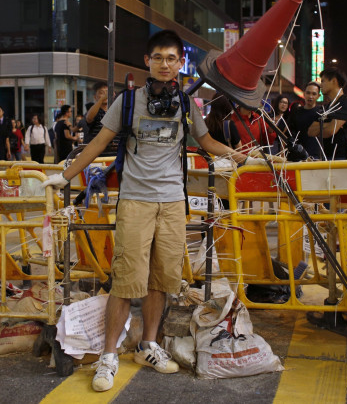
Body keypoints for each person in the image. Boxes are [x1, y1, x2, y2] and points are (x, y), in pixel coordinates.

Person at [41, 30, 265, 393]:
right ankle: (109, 356)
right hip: (135, 202)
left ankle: (149, 345)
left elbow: (205, 142)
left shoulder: (187, 106)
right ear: (148, 61)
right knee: (127, 279)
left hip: (173, 204)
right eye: (158, 57)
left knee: (162, 279)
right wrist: (63, 175)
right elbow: (98, 141)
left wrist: (246, 156)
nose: (165, 64)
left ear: (180, 64)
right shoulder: (128, 102)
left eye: (171, 58)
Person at [307, 67, 347, 160]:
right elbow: (310, 131)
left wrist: (323, 126)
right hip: (326, 157)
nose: (320, 85)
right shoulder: (326, 106)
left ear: (334, 81)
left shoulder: (346, 102)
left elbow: (330, 131)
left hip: (342, 158)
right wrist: (329, 125)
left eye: (323, 81)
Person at [286, 81, 322, 159]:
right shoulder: (296, 112)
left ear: (318, 96)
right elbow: (289, 133)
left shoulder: (321, 112)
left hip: (316, 156)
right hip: (297, 155)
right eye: (308, 93)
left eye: (314, 94)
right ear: (304, 94)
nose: (310, 96)